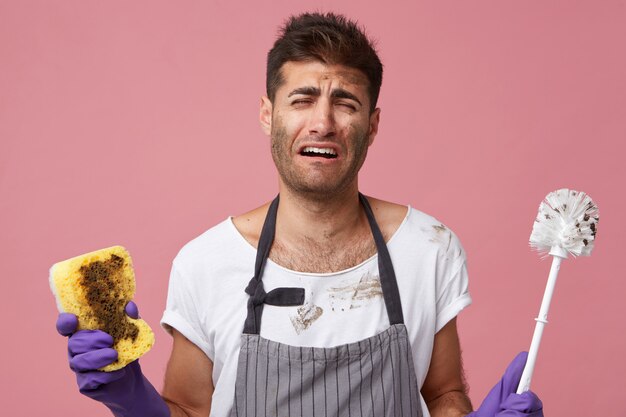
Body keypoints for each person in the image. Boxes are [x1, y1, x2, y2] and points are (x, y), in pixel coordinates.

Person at [56, 12, 544, 417]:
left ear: (372, 124)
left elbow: (443, 395)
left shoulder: (428, 247)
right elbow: (187, 409)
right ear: (269, 114)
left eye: (345, 103)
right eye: (303, 99)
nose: (323, 123)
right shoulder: (204, 263)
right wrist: (129, 398)